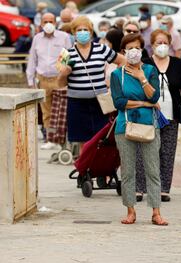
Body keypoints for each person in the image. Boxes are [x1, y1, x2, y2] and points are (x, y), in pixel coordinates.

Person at [110, 33, 168, 226]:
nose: (134, 51)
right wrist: (144, 102)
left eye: (137, 48)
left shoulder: (150, 71)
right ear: (123, 52)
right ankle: (130, 210)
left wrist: (142, 79)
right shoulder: (117, 75)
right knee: (128, 171)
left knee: (152, 169)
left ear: (142, 50)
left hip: (149, 126)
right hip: (124, 127)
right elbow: (119, 102)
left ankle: (156, 212)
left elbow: (154, 98)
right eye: (130, 48)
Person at [136, 29, 181, 202]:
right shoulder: (144, 64)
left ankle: (164, 188)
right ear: (151, 45)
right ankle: (140, 188)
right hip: (148, 114)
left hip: (171, 114)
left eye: (165, 43)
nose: (162, 46)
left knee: (167, 152)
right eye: (158, 43)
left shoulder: (178, 64)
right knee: (143, 151)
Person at [57, 16, 125, 154]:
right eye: (79, 30)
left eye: (86, 29)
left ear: (91, 31)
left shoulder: (102, 49)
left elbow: (122, 61)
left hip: (99, 102)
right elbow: (59, 83)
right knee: (83, 141)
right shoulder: (66, 54)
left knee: (102, 138)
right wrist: (64, 73)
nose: (83, 32)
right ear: (74, 33)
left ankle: (102, 172)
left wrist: (113, 81)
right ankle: (85, 172)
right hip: (77, 103)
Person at [26, 13, 72, 150]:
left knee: (61, 110)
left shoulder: (63, 37)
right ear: (40, 23)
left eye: (51, 21)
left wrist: (66, 77)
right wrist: (30, 80)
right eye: (45, 21)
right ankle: (50, 138)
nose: (48, 23)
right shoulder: (37, 39)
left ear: (55, 22)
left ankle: (62, 139)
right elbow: (32, 59)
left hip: (59, 79)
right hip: (43, 79)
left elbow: (68, 56)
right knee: (46, 112)